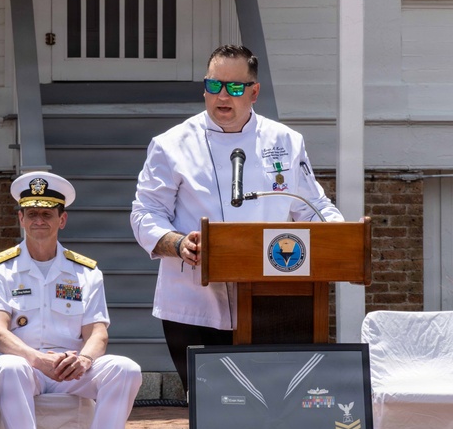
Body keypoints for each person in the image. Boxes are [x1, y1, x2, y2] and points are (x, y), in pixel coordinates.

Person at [130, 44, 344, 392]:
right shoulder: (171, 144)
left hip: (272, 304)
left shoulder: (286, 141)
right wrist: (178, 243)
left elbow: (311, 207)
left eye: (234, 87)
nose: (222, 96)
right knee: (210, 408)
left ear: (254, 92)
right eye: (214, 86)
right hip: (194, 303)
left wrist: (340, 237)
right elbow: (145, 213)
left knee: (273, 404)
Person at [0, 171, 142, 429]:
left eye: (47, 214)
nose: (39, 220)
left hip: (70, 368)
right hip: (24, 364)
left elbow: (97, 331)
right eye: (32, 213)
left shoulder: (85, 272)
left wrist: (84, 360)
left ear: (61, 219)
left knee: (126, 370)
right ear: (20, 218)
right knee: (9, 366)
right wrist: (37, 360)